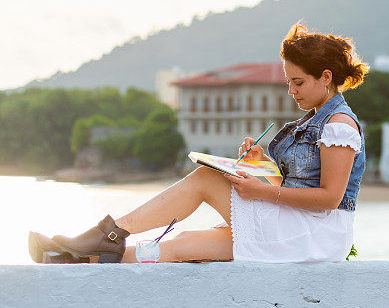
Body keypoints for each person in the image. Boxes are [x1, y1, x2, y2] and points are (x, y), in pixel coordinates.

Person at [29, 21, 369, 264]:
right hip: (295, 225)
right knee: (184, 242)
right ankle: (79, 260)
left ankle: (111, 233)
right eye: (288, 81)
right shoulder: (311, 119)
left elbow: (329, 199)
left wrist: (260, 191)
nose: (291, 90)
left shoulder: (339, 125)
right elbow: (294, 183)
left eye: (298, 82)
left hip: (315, 235)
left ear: (326, 77)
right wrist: (260, 164)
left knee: (206, 179)